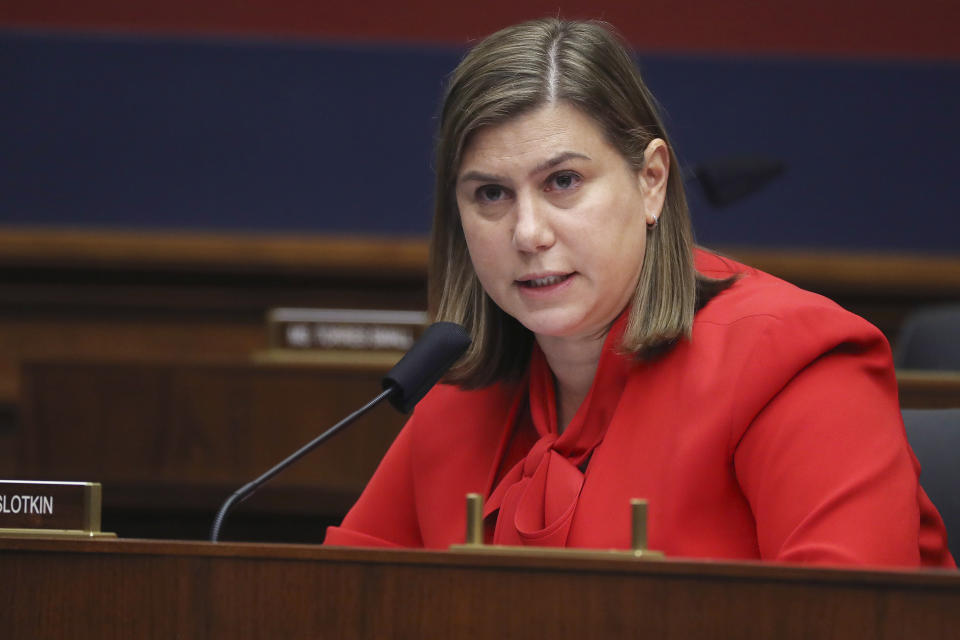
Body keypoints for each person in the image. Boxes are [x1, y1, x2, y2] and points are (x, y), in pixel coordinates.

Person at [324, 18, 954, 567]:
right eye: (491, 194)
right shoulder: (459, 397)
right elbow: (344, 603)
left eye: (563, 181)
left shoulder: (791, 365)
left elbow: (848, 621)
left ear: (651, 181)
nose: (528, 232)